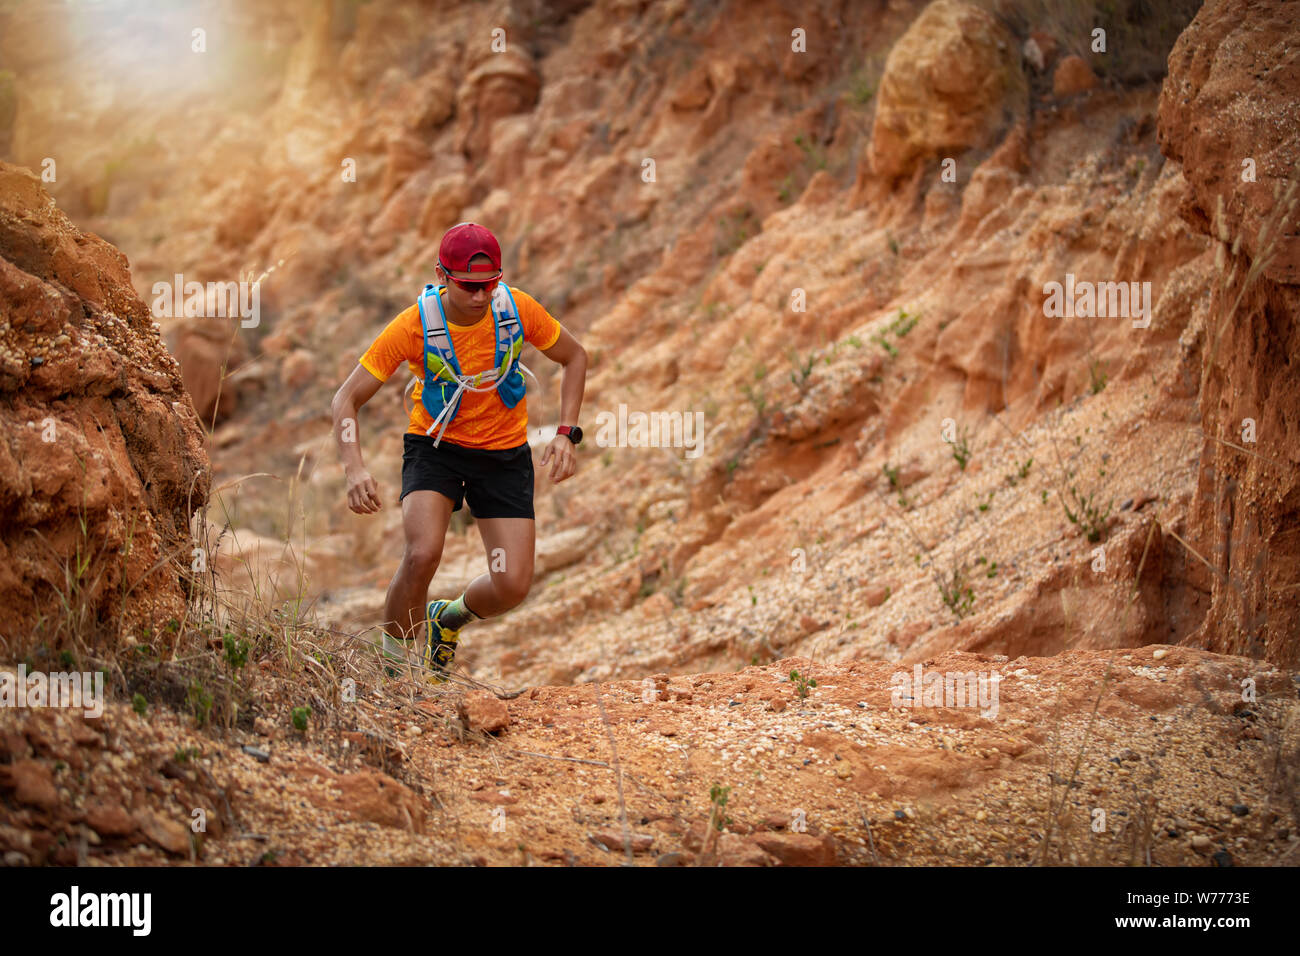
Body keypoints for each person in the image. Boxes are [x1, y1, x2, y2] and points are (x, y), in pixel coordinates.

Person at [330, 222, 588, 682]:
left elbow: (575, 357)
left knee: (512, 585)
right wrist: (354, 469)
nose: (481, 295)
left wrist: (566, 432)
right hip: (435, 447)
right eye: (469, 286)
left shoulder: (516, 309)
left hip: (503, 453)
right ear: (442, 275)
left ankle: (447, 619)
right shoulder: (413, 326)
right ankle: (393, 676)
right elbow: (345, 399)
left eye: (490, 284)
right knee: (423, 553)